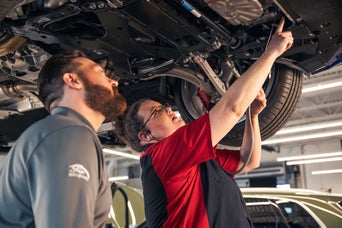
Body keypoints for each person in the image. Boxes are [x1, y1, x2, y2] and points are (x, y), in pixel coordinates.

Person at [114, 18, 293, 227]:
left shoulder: (195, 158)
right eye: (158, 111)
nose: (169, 109)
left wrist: (252, 117)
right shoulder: (161, 158)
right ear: (146, 136)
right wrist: (270, 53)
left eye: (165, 106)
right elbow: (232, 108)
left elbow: (248, 160)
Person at [0, 49, 127, 227]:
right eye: (99, 72)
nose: (113, 81)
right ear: (73, 80)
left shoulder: (58, 132)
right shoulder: (69, 133)